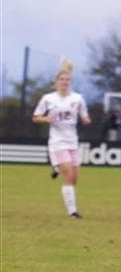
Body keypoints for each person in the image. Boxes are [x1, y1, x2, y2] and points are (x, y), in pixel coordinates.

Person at [32, 59, 92, 218]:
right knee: (69, 176)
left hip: (73, 142)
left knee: (75, 179)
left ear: (71, 82)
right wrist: (45, 119)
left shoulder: (78, 98)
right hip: (57, 143)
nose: (65, 82)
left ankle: (57, 169)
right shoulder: (48, 98)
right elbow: (35, 117)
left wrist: (86, 120)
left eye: (67, 80)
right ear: (56, 82)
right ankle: (73, 212)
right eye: (62, 79)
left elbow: (85, 116)